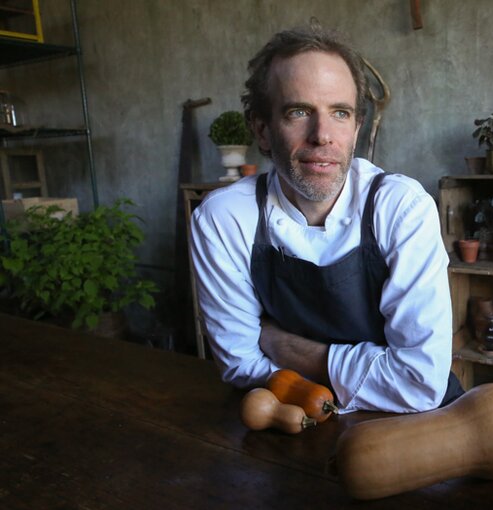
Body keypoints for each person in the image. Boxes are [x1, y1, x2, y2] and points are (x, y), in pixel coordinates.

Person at [189, 26, 463, 414]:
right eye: (298, 112)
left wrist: (283, 345)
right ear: (262, 131)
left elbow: (420, 384)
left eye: (340, 113)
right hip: (290, 419)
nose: (323, 136)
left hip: (411, 430)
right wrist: (370, 375)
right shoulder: (224, 218)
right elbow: (239, 364)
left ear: (355, 128)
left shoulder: (401, 207)